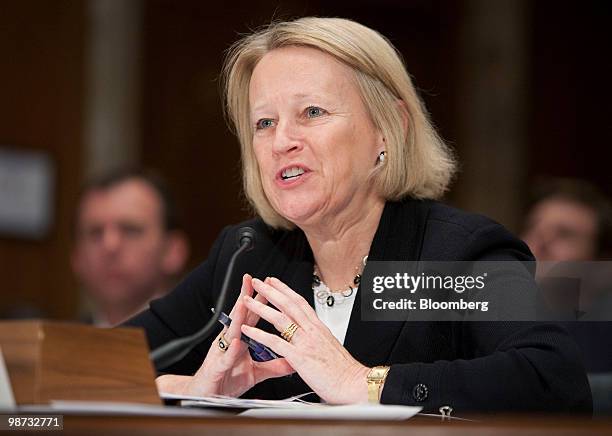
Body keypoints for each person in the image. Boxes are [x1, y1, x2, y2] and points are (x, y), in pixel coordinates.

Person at [126, 18, 591, 413]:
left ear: (388, 129)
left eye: (311, 112)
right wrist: (194, 390)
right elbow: (77, 368)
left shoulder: (450, 257)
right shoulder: (247, 255)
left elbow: (553, 378)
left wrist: (364, 384)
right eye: (264, 122)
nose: (281, 140)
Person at [72, 168, 189, 326]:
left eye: (130, 230)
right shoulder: (57, 347)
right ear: (77, 257)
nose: (110, 246)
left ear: (173, 251)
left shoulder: (211, 345)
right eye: (96, 233)